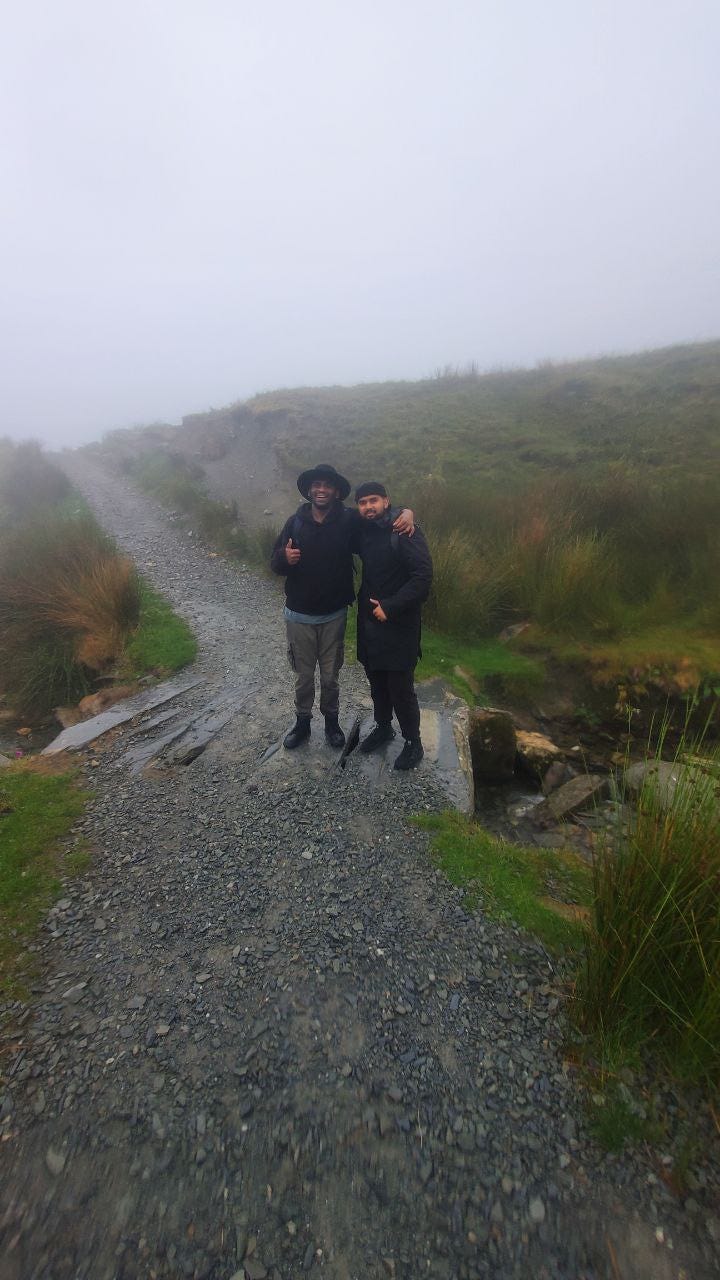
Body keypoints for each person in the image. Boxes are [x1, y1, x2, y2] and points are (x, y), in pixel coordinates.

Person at [270, 464, 413, 750]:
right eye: (316, 485)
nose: (321, 489)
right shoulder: (294, 522)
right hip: (298, 613)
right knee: (303, 676)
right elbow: (274, 563)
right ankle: (302, 723)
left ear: (336, 492)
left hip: (334, 614)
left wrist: (406, 512)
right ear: (310, 490)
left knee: (330, 675)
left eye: (327, 485)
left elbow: (379, 517)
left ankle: (332, 723)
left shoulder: (349, 519)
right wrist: (285, 558)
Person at [354, 481, 433, 771]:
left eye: (373, 500)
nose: (368, 507)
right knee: (377, 682)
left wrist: (391, 606)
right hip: (369, 622)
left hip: (400, 625)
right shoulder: (363, 530)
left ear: (386, 501)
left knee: (401, 687)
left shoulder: (404, 530)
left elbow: (423, 578)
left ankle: (414, 743)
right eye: (362, 502)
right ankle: (384, 726)